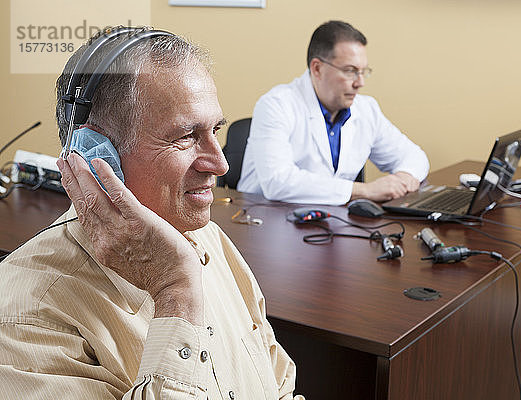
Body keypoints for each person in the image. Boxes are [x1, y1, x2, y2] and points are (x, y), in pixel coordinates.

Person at [0, 27, 304, 400]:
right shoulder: (24, 317)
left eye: (216, 130)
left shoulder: (206, 237)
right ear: (95, 156)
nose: (220, 163)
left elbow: (278, 381)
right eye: (186, 136)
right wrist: (176, 291)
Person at [237, 20, 430, 205]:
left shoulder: (366, 109)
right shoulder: (276, 105)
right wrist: (364, 190)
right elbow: (277, 182)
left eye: (363, 71)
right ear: (317, 68)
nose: (360, 82)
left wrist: (405, 177)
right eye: (350, 71)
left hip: (331, 223)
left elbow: (414, 156)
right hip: (264, 222)